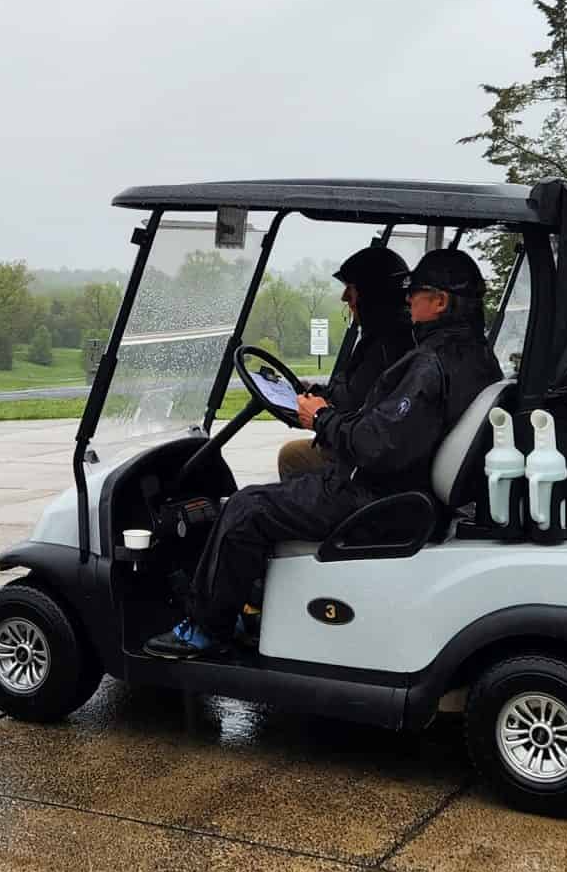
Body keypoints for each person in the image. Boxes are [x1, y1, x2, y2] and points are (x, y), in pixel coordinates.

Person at [146, 246, 501, 660]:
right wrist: (328, 413)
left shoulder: (428, 364)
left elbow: (374, 445)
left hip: (379, 499)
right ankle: (255, 595)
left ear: (439, 302)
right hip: (407, 491)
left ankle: (207, 628)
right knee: (282, 485)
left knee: (244, 508)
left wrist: (321, 418)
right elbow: (387, 427)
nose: (407, 300)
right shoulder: (477, 355)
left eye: (415, 293)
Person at [275, 243, 412, 479]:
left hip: (364, 463)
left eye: (351, 288)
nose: (344, 297)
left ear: (371, 293)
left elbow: (352, 407)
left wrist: (318, 413)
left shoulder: (385, 347)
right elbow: (353, 393)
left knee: (291, 456)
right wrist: (317, 392)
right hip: (367, 449)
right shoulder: (389, 337)